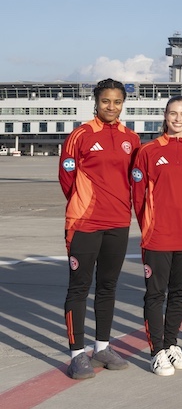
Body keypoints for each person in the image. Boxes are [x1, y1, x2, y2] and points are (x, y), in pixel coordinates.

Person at [58, 78, 140, 380]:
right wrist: (83, 202)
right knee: (79, 287)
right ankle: (77, 354)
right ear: (96, 101)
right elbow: (67, 177)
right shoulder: (80, 135)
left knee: (108, 286)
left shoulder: (131, 138)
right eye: (106, 101)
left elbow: (134, 178)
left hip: (118, 222)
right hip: (84, 222)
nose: (112, 107)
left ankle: (102, 346)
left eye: (117, 102)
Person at [131, 96, 182, 376]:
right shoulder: (148, 151)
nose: (178, 119)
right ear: (165, 116)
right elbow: (138, 196)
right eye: (173, 113)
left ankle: (172, 344)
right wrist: (151, 226)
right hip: (158, 236)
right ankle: (157, 351)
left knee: (179, 294)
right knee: (155, 294)